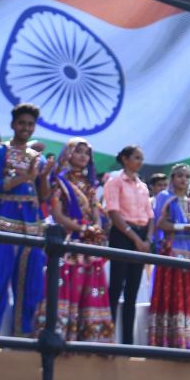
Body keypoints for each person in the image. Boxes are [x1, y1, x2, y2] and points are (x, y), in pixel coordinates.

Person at [0, 104, 48, 336]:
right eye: (22, 123)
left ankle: (23, 336)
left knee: (31, 282)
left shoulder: (36, 157)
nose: (26, 128)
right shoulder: (0, 151)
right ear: (13, 125)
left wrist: (44, 176)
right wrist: (25, 177)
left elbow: (44, 195)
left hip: (30, 224)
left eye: (30, 124)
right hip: (2, 218)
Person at [37, 138, 114, 341]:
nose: (83, 156)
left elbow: (95, 209)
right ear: (68, 153)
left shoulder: (89, 183)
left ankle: (89, 335)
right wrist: (82, 228)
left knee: (91, 286)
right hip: (68, 240)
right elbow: (57, 214)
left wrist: (95, 227)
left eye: (86, 153)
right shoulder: (59, 181)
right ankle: (61, 333)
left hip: (88, 241)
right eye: (78, 151)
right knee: (66, 284)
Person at [146, 163, 190, 350]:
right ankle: (170, 339)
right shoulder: (165, 197)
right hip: (172, 250)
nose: (183, 180)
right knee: (172, 293)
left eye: (187, 177)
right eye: (180, 176)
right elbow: (161, 224)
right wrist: (184, 227)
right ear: (172, 178)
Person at [102, 145, 153, 344]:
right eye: (136, 157)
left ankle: (128, 343)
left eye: (141, 158)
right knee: (115, 287)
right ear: (125, 159)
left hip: (140, 235)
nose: (140, 162)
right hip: (122, 234)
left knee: (132, 291)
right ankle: (109, 340)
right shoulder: (114, 181)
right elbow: (114, 213)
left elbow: (150, 216)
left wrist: (147, 239)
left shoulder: (142, 186)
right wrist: (137, 239)